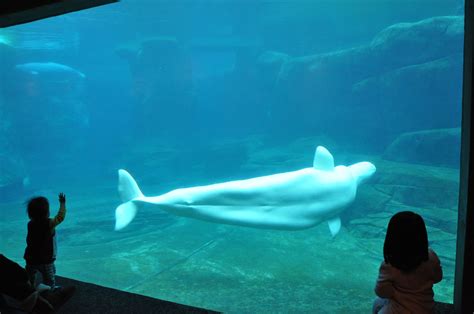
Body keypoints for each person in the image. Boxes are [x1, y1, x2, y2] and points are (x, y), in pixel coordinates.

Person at [373, 211, 443, 314]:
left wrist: (396, 293)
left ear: (391, 238)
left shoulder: (390, 265)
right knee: (378, 303)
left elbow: (381, 291)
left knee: (377, 304)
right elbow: (438, 278)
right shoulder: (430, 256)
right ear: (422, 235)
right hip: (426, 308)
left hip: (399, 309)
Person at [24, 193, 67, 290]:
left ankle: (29, 290)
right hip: (46, 260)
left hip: (30, 258)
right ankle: (50, 292)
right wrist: (62, 203)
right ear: (47, 212)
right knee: (49, 279)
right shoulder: (49, 224)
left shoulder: (30, 224)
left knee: (30, 277)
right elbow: (61, 217)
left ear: (30, 213)